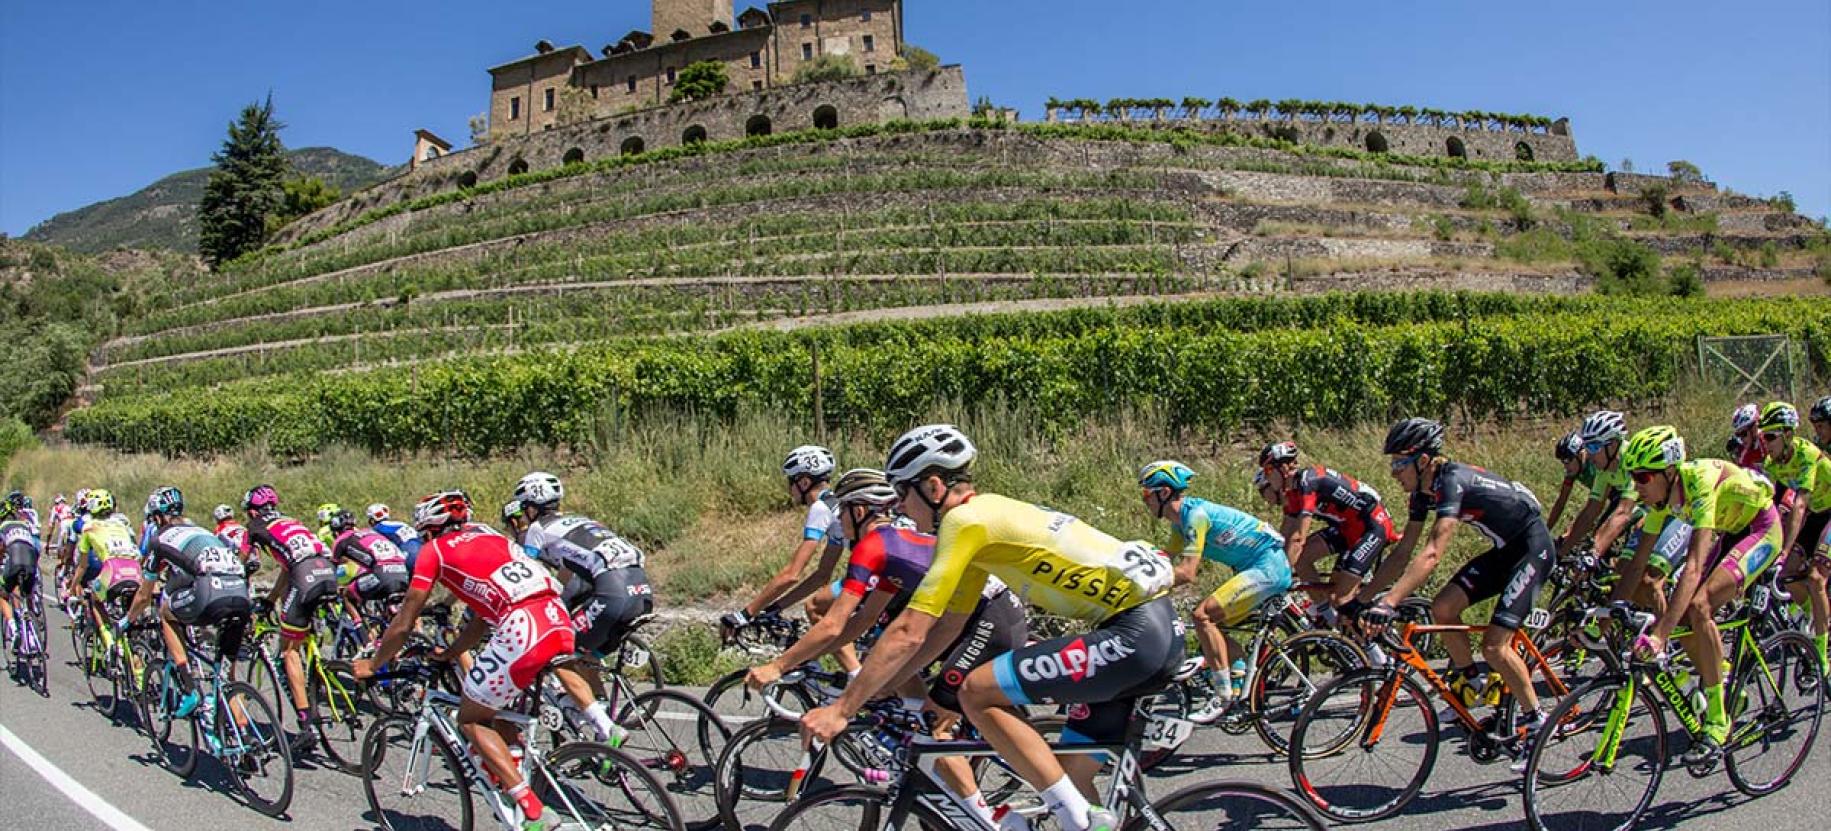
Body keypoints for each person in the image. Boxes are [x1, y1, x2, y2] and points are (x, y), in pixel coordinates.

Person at [802, 425, 1182, 831]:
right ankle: (1084, 817)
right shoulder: (983, 521)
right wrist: (890, 682)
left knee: (977, 691)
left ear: (932, 487)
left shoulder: (964, 522)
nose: (899, 508)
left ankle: (1079, 819)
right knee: (1069, 775)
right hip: (1153, 629)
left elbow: (909, 628)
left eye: (902, 494)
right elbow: (949, 624)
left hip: (1133, 633)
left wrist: (843, 709)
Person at [747, 468, 1028, 826]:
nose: (839, 522)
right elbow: (862, 622)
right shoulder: (891, 543)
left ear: (858, 511)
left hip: (990, 620)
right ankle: (940, 781)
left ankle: (982, 820)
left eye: (842, 512)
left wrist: (779, 665)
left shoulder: (873, 546)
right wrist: (812, 659)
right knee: (889, 681)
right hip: (970, 619)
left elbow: (833, 622)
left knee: (932, 726)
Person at [355, 490, 613, 830]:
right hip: (556, 615)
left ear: (430, 529)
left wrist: (374, 665)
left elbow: (404, 621)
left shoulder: (433, 552)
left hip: (523, 626)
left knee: (471, 718)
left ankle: (532, 810)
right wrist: (449, 654)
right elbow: (479, 619)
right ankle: (520, 780)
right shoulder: (491, 536)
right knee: (501, 713)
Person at [1362, 418, 1555, 751]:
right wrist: (1365, 597)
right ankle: (1474, 682)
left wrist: (1390, 603)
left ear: (1423, 461)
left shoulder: (1452, 482)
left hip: (1533, 549)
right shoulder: (1423, 493)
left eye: (1399, 463)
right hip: (1505, 551)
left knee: (1495, 646)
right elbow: (1404, 552)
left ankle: (1538, 720)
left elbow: (1433, 552)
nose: (1393, 472)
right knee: (1442, 608)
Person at [1619, 425, 1782, 764]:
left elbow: (1693, 567)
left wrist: (1660, 637)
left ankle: (1719, 719)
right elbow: (1637, 565)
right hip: (1729, 532)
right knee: (1686, 613)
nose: (1637, 486)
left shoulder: (1700, 481)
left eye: (1643, 477)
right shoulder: (1661, 500)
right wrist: (1606, 615)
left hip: (1760, 529)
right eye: (1633, 477)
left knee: (1698, 606)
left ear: (1668, 470)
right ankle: (1719, 675)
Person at [1140, 460, 1290, 725]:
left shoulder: (1194, 517)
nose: (1144, 501)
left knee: (1203, 616)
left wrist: (1147, 585)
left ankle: (1222, 698)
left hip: (1267, 567)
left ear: (1163, 493)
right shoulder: (1179, 522)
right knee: (1212, 623)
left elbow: (1187, 572)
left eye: (1146, 494)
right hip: (1253, 566)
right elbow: (1166, 557)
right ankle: (1240, 670)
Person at [500, 472, 652, 703]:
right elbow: (567, 571)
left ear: (531, 507)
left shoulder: (536, 530)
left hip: (613, 593)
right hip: (642, 590)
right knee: (586, 654)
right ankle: (601, 709)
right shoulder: (578, 520)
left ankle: (591, 716)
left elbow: (527, 571)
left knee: (560, 651)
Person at [722, 445, 858, 674]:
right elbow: (821, 575)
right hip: (875, 569)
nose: (789, 489)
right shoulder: (837, 508)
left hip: (874, 572)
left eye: (791, 482)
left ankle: (857, 677)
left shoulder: (821, 509)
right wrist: (776, 607)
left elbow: (791, 574)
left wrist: (745, 614)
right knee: (824, 606)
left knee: (815, 606)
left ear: (803, 483)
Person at [123, 486, 253, 719]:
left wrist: (127, 620)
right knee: (226, 677)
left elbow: (144, 596)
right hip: (241, 592)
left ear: (157, 517)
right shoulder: (202, 530)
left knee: (166, 612)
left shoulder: (160, 539)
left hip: (210, 590)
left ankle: (189, 688)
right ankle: (246, 739)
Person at [239, 484, 340, 756]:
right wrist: (271, 600)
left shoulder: (254, 527)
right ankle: (321, 668)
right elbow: (288, 567)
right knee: (300, 633)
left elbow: (240, 565)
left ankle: (307, 725)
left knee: (288, 651)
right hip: (327, 570)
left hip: (304, 575)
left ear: (251, 511)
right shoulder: (291, 521)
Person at [1257, 443, 1400, 618]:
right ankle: (1326, 616)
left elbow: (1298, 538)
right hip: (1347, 528)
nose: (1267, 476)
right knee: (1303, 559)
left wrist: (1280, 575)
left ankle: (1368, 644)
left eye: (1269, 470)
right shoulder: (1292, 492)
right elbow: (1284, 535)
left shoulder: (1308, 482)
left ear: (1285, 467)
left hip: (1372, 528)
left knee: (1341, 598)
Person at [1759, 402, 1831, 673]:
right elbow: (1773, 505)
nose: (1765, 443)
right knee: (1787, 575)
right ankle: (1820, 616)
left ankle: (1821, 658)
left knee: (1815, 577)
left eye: (1770, 437)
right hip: (1816, 514)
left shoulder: (1806, 454)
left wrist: (1784, 549)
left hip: (1826, 511)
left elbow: (1799, 504)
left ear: (1788, 435)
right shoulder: (1772, 463)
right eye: (1762, 437)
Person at [68, 489, 143, 636]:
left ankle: (109, 642)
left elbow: (83, 566)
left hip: (112, 569)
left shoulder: (88, 528)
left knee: (94, 600)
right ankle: (133, 648)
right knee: (130, 616)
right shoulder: (122, 525)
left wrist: (72, 588)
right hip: (135, 569)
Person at [327, 508, 411, 611]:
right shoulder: (369, 532)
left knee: (347, 594)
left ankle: (359, 626)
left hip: (382, 574)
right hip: (403, 572)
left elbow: (332, 568)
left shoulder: (341, 540)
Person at [0, 495, 42, 649]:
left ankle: (14, 627)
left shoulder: (3, 528)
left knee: (3, 595)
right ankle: (31, 633)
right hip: (31, 558)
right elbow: (36, 548)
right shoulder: (25, 525)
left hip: (15, 559)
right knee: (26, 593)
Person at [365, 503, 422, 573]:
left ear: (372, 520)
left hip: (409, 554)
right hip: (422, 550)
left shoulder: (379, 527)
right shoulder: (400, 523)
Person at [1727, 403, 1767, 470]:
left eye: (1743, 433)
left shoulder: (1766, 442)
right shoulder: (1745, 448)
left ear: (1754, 428)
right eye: (1738, 435)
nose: (1741, 439)